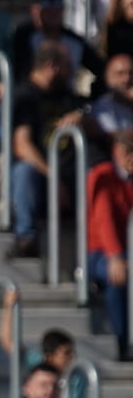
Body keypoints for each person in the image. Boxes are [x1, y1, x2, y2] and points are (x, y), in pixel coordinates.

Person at [6, 40, 86, 262]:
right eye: (68, 65)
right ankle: (26, 236)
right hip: (43, 176)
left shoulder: (66, 95)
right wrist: (54, 178)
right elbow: (21, 145)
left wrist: (83, 121)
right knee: (24, 171)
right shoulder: (24, 95)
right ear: (53, 66)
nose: (72, 70)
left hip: (70, 173)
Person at [87, 131, 133, 361]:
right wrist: (115, 255)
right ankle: (122, 341)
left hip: (127, 253)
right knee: (117, 276)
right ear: (118, 151)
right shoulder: (103, 175)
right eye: (129, 151)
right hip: (100, 253)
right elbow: (103, 219)